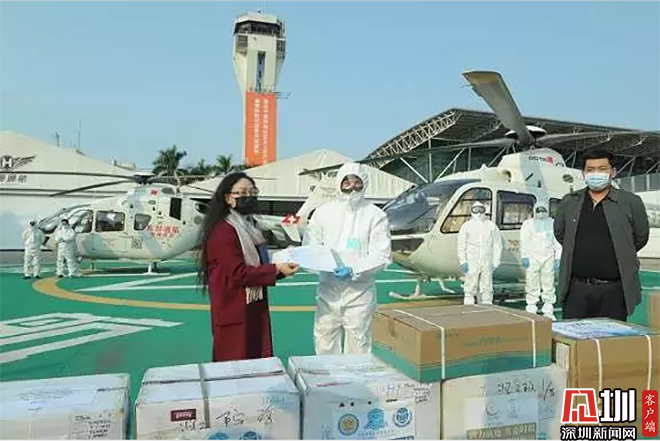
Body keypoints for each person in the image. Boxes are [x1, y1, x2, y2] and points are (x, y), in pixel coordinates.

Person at [198, 172, 299, 362]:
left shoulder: (251, 228)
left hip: (253, 306)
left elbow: (260, 266)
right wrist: (276, 269)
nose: (249, 197)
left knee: (255, 361)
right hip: (233, 308)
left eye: (253, 192)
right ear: (228, 198)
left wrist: (282, 269)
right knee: (234, 364)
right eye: (242, 192)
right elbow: (238, 273)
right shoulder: (223, 231)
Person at [303, 162, 392, 355]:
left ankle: (357, 377)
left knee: (359, 344)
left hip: (360, 292)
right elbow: (311, 246)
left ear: (364, 183)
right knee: (324, 341)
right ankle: (327, 376)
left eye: (357, 182)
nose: (352, 187)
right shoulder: (323, 212)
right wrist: (316, 264)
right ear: (339, 183)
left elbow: (382, 255)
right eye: (347, 182)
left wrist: (354, 269)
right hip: (328, 290)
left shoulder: (375, 215)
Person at [554, 149, 650, 321]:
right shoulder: (570, 201)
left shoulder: (630, 202)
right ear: (583, 173)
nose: (596, 174)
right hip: (577, 289)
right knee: (575, 335)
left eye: (602, 169)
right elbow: (560, 233)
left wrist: (621, 249)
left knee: (610, 337)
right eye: (590, 170)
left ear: (613, 172)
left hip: (614, 290)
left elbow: (641, 236)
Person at [520, 201, 562, 320]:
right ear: (534, 211)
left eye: (543, 210)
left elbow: (557, 242)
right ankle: (531, 308)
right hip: (533, 258)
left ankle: (548, 310)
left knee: (548, 283)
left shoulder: (552, 223)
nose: (541, 213)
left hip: (548, 258)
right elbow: (524, 241)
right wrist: (524, 256)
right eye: (538, 210)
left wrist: (558, 257)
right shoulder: (528, 224)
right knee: (532, 282)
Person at [457, 201, 503, 305]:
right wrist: (463, 261)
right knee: (470, 285)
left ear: (484, 210)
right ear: (472, 211)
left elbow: (497, 245)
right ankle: (469, 305)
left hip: (487, 260)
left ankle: (487, 304)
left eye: (480, 209)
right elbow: (461, 245)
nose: (478, 212)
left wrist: (496, 261)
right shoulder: (466, 226)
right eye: (475, 210)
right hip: (472, 260)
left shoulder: (491, 226)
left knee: (487, 285)